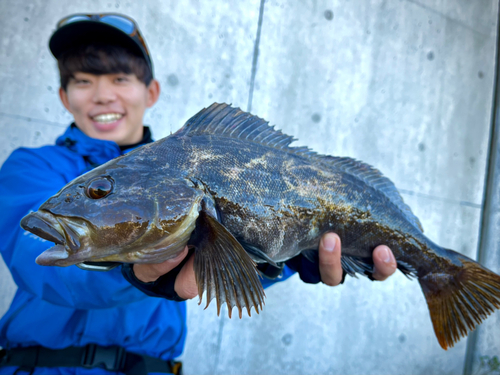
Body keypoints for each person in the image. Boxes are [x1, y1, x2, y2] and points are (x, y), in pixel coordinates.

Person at [0, 13, 397, 374]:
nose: (103, 95)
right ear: (63, 97)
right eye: (82, 81)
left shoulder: (186, 163)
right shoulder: (30, 168)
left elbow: (232, 264)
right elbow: (29, 257)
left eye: (120, 79)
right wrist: (132, 273)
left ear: (151, 92)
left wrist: (295, 258)